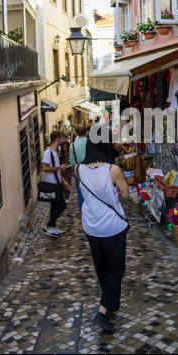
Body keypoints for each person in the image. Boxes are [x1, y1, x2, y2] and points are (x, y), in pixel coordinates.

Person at [76, 135, 129, 332]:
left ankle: (110, 306)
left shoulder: (78, 169)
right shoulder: (113, 170)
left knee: (102, 267)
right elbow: (125, 192)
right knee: (116, 269)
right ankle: (103, 310)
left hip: (91, 226)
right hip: (112, 227)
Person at [41, 130, 71, 238]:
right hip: (51, 184)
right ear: (58, 139)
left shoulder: (54, 152)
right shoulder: (48, 152)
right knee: (62, 205)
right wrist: (60, 167)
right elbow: (44, 168)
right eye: (62, 138)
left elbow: (57, 171)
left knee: (54, 207)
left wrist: (64, 182)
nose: (63, 140)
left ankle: (52, 228)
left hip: (57, 183)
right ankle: (48, 226)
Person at [69, 124, 88, 209]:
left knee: (80, 195)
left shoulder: (72, 145)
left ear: (76, 133)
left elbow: (72, 162)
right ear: (86, 132)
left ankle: (83, 214)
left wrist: (74, 173)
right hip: (91, 171)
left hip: (78, 172)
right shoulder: (90, 143)